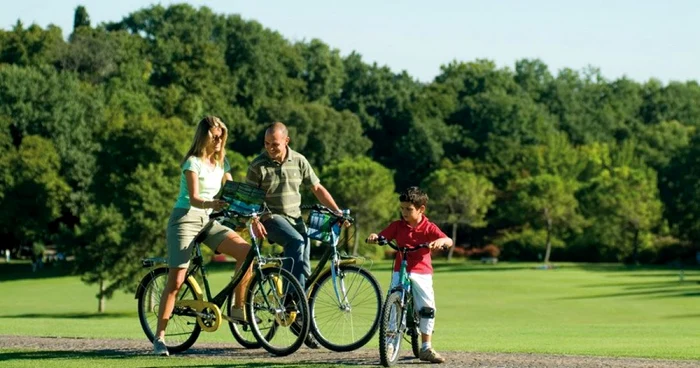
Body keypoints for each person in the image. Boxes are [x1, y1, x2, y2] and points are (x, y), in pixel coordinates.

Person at [153, 116, 252, 356]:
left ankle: (238, 307)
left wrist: (249, 208)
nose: (219, 140)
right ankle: (159, 338)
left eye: (222, 136)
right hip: (185, 218)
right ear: (204, 137)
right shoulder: (192, 163)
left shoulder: (222, 163)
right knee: (176, 281)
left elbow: (231, 191)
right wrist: (214, 203)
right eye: (214, 136)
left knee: (247, 252)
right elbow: (195, 198)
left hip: (209, 220)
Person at [246, 122, 344, 290]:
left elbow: (317, 188)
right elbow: (249, 198)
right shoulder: (257, 166)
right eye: (266, 143)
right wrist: (255, 220)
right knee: (296, 241)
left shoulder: (299, 160)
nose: (270, 148)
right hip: (270, 218)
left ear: (286, 141)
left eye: (275, 144)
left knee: (304, 262)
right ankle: (290, 301)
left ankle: (300, 311)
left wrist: (337, 211)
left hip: (295, 219)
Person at [366, 186, 453, 364]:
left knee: (427, 307)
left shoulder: (428, 227)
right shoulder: (397, 226)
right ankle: (389, 344)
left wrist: (440, 242)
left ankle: (426, 347)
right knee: (393, 303)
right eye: (402, 208)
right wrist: (376, 237)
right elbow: (383, 237)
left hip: (422, 271)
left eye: (409, 209)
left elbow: (448, 240)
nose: (404, 212)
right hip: (401, 269)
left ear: (421, 209)